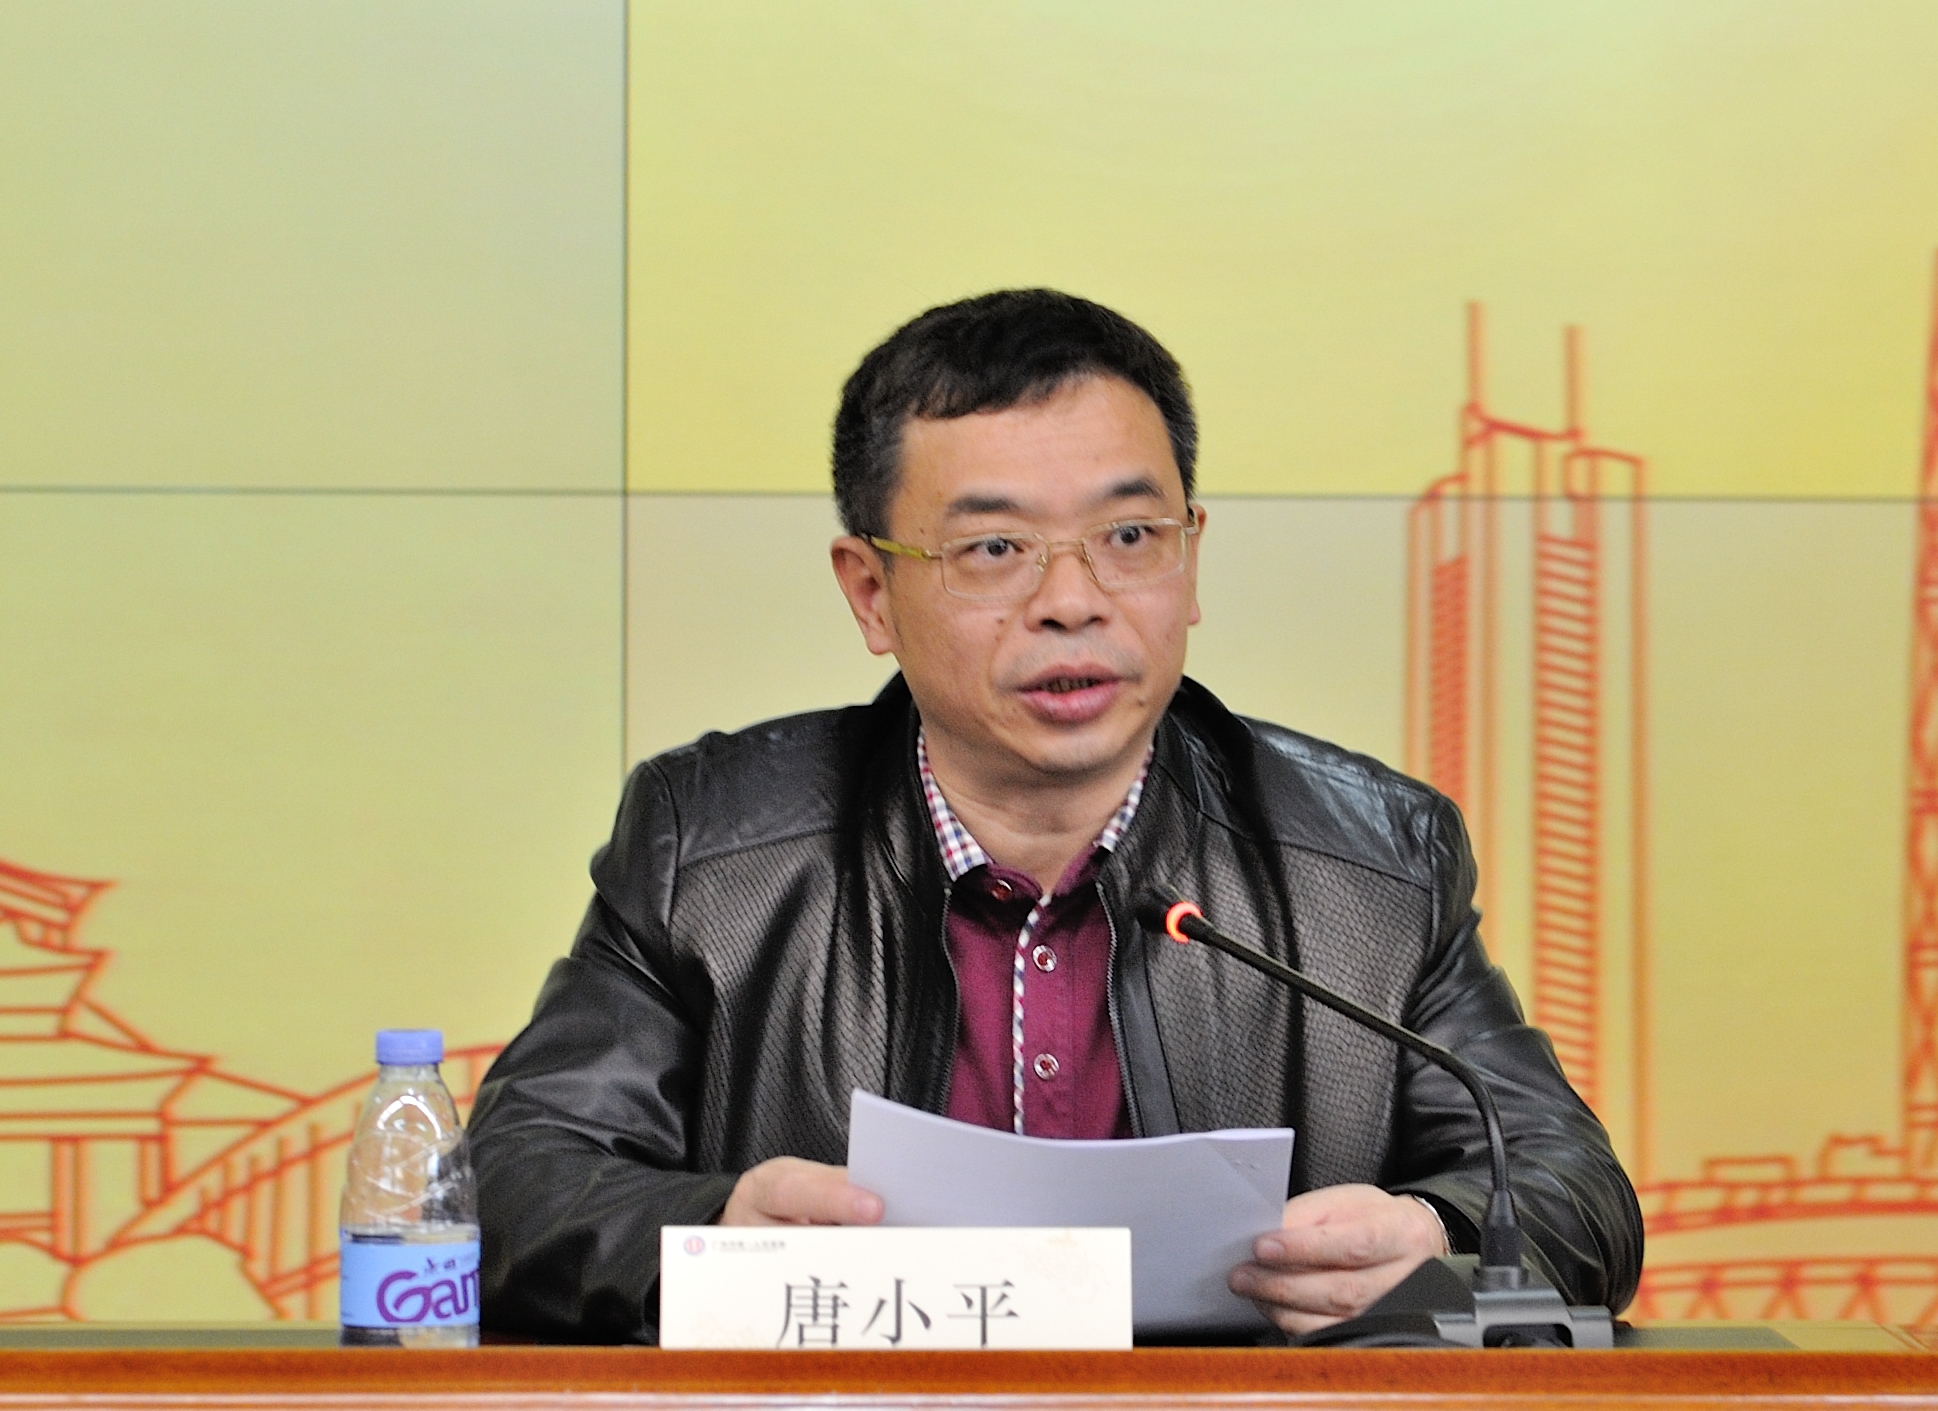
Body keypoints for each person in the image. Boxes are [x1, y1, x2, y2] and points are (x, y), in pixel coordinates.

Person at [467, 289, 1642, 1344]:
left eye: (1128, 537)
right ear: (870, 592)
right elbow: (514, 1185)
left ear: (1190, 560)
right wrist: (716, 1227)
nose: (1072, 601)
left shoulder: (1371, 865)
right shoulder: (712, 851)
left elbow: (1571, 1189)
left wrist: (1436, 1235)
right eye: (994, 548)